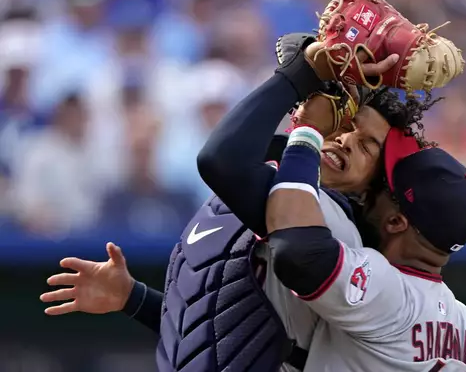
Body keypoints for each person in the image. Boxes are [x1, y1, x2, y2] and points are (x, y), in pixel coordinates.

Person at [41, 35, 429, 371]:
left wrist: (301, 79)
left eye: (366, 146)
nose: (345, 140)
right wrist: (135, 298)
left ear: (373, 184)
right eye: (347, 127)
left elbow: (220, 159)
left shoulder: (328, 223)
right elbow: (221, 335)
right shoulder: (278, 186)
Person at [264, 99, 466, 370]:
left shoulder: (389, 291)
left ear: (396, 222)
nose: (371, 188)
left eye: (385, 187)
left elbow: (298, 252)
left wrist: (307, 129)